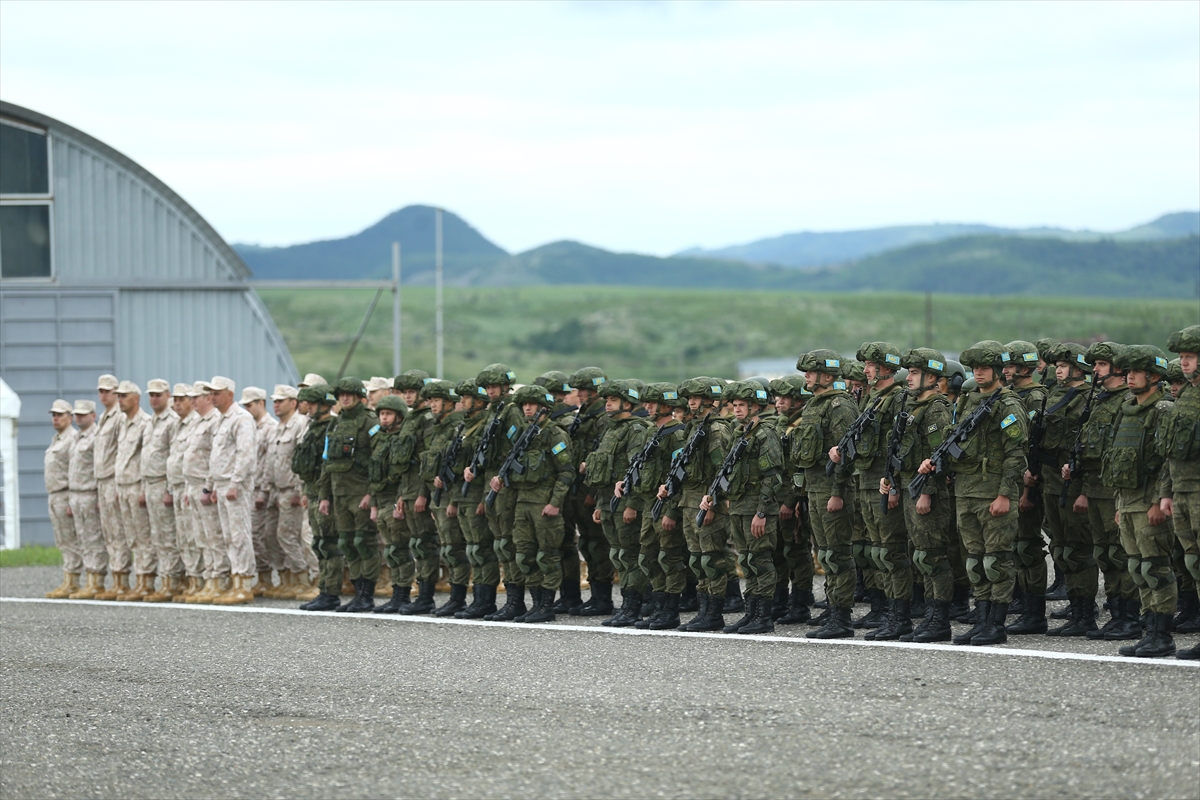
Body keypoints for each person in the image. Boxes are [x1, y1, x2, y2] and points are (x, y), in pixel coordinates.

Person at [920, 340, 1028, 646]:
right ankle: (981, 620)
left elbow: (1016, 454)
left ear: (997, 371)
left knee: (996, 561)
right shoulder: (968, 401)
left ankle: (996, 624)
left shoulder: (1008, 405)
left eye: (984, 368)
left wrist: (1006, 494)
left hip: (993, 492)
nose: (978, 373)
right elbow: (957, 442)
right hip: (966, 492)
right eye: (975, 368)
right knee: (975, 562)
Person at [1102, 345, 1177, 658]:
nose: (1129, 377)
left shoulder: (1163, 410)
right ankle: (1149, 631)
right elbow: (1120, 460)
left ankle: (1162, 635)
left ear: (1154, 376)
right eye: (1126, 372)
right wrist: (1120, 505)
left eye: (1135, 372)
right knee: (1136, 567)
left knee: (1155, 568)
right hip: (1128, 502)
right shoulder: (1126, 408)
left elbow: (1165, 461)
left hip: (1149, 502)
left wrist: (1158, 501)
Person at [1062, 343, 1138, 640]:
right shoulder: (1099, 400)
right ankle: (1116, 614)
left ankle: (1129, 617)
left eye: (1102, 365)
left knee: (1120, 554)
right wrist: (1075, 468)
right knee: (1105, 555)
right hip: (1094, 486)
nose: (1095, 369)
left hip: (1113, 488)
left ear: (1118, 369)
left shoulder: (1126, 402)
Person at [881, 349, 955, 642]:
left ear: (932, 377)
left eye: (914, 373)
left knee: (932, 556)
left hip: (926, 492)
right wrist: (892, 483)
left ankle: (940, 620)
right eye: (908, 372)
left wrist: (927, 493)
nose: (908, 377)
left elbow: (937, 457)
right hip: (910, 487)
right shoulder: (911, 406)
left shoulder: (937, 408)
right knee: (921, 557)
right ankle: (928, 616)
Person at [706, 381, 783, 634]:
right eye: (734, 405)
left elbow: (772, 476)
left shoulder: (765, 433)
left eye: (741, 405)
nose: (736, 409)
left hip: (756, 508)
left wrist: (761, 512)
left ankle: (764, 615)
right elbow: (727, 471)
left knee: (761, 559)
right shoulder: (740, 433)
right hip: (738, 506)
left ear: (755, 406)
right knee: (747, 560)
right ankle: (751, 613)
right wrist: (713, 495)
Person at [791, 352, 859, 639]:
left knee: (837, 553)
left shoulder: (840, 406)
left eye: (811, 371)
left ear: (828, 376)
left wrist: (837, 493)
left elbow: (845, 453)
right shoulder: (814, 405)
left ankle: (842, 617)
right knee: (825, 553)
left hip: (832, 491)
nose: (806, 376)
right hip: (815, 489)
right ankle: (833, 609)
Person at [494, 384, 574, 623]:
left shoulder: (555, 434)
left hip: (543, 503)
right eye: (524, 404)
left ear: (544, 407)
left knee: (546, 556)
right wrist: (500, 478)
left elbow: (567, 472)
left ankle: (546, 605)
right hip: (522, 502)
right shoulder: (523, 434)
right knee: (524, 555)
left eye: (532, 404)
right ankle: (535, 603)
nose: (527, 408)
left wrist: (555, 502)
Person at [666, 378, 735, 632]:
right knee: (697, 560)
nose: (691, 402)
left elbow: (723, 471)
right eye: (689, 398)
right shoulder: (694, 427)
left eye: (696, 398)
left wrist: (714, 505)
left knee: (711, 559)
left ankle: (714, 614)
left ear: (709, 399)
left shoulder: (716, 430)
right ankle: (704, 610)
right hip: (689, 501)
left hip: (706, 503)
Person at [587, 379, 652, 626]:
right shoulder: (611, 428)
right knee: (618, 555)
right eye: (606, 400)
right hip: (608, 502)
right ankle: (628, 604)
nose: (607, 404)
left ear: (627, 402)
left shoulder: (635, 429)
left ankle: (633, 606)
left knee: (630, 555)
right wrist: (599, 505)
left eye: (612, 400)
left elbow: (636, 470)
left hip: (625, 503)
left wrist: (633, 504)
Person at [625, 382, 688, 630]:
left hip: (666, 504)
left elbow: (679, 475)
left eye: (652, 402)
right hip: (649, 504)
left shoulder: (677, 434)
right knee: (647, 557)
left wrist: (672, 510)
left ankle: (670, 611)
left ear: (666, 405)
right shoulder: (652, 432)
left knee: (668, 558)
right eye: (647, 402)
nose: (647, 406)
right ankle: (659, 607)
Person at [319, 377, 381, 613]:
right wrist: (324, 496)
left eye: (349, 394)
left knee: (363, 543)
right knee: (346, 542)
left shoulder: (369, 422)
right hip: (339, 493)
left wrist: (371, 494)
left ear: (358, 397)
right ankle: (357, 592)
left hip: (360, 493)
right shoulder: (334, 424)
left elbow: (378, 461)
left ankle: (367, 594)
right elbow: (327, 462)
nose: (344, 398)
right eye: (341, 395)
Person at [1002, 340, 1051, 634]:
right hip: (1014, 480)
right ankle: (1021, 602)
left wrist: (1026, 491)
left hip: (1029, 483)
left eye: (1009, 365)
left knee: (1028, 547)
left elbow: (1031, 445)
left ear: (1024, 368)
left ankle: (1035, 613)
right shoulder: (1010, 396)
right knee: (1017, 547)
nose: (1005, 371)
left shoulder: (1034, 398)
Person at [1163, 326, 1200, 659]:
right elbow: (1172, 451)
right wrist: (1167, 491)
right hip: (1184, 491)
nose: (1183, 364)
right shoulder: (1186, 395)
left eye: (1190, 357)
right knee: (1193, 561)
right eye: (1183, 357)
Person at [565, 366, 615, 617]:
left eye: (586, 389)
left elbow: (603, 459)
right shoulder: (582, 415)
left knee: (597, 544)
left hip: (591, 489)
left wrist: (593, 493)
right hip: (576, 486)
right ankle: (593, 595)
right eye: (579, 390)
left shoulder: (603, 418)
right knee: (586, 543)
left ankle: (602, 597)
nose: (581, 394)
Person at [206, 376, 259, 605]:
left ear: (230, 394)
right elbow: (215, 455)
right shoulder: (220, 419)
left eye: (217, 393)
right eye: (211, 393)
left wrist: (235, 483)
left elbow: (245, 453)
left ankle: (244, 583)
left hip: (235, 484)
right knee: (228, 536)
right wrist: (212, 485)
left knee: (240, 535)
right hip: (222, 483)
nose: (212, 397)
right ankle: (235, 581)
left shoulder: (241, 418)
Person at [419, 380, 470, 616]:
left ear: (449, 402)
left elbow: (461, 467)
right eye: (430, 401)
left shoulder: (457, 427)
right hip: (437, 496)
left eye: (436, 400)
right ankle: (452, 597)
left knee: (454, 548)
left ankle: (458, 598)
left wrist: (453, 500)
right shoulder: (435, 428)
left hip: (452, 496)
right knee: (447, 547)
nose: (432, 405)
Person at [451, 380, 501, 619]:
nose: (462, 402)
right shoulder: (464, 426)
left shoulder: (485, 426)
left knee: (482, 548)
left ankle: (485, 600)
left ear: (479, 401)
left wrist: (484, 499)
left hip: (476, 496)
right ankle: (477, 597)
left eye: (466, 398)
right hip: (463, 495)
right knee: (472, 549)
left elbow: (487, 465)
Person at [392, 370, 438, 614]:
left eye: (412, 392)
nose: (408, 396)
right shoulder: (411, 418)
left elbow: (428, 460)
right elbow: (404, 461)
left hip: (421, 489)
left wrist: (423, 493)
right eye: (405, 392)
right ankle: (410, 594)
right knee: (415, 542)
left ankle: (426, 596)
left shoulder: (427, 419)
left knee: (424, 543)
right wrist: (402, 494)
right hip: (408, 490)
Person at [295, 385, 344, 611]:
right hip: (313, 491)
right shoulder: (313, 427)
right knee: (318, 542)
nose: (308, 409)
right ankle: (323, 588)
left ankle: (331, 592)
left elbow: (328, 465)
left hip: (326, 494)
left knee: (329, 543)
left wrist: (324, 494)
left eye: (312, 404)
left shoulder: (332, 427)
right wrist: (306, 491)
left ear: (325, 405)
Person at [261, 385, 311, 599]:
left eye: (281, 401)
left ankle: (302, 577)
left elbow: (301, 461)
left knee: (288, 535)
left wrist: (299, 490)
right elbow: (270, 461)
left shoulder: (299, 425)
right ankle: (285, 578)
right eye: (275, 401)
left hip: (291, 490)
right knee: (271, 535)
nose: (276, 405)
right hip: (275, 490)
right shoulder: (277, 428)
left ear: (293, 402)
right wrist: (265, 489)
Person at [140, 379, 183, 602]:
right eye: (151, 395)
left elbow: (173, 457)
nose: (154, 399)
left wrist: (169, 489)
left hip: (163, 483)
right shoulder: (151, 422)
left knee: (168, 535)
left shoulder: (172, 421)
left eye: (158, 395)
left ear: (168, 395)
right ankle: (166, 580)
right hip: (149, 483)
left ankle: (173, 581)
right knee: (157, 536)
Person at [369, 393, 412, 612]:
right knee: (390, 551)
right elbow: (374, 476)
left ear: (399, 416)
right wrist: (374, 505)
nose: (384, 418)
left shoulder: (403, 439)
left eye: (388, 414)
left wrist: (401, 501)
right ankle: (396, 592)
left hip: (396, 500)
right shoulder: (378, 439)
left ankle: (403, 593)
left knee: (400, 549)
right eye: (382, 414)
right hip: (381, 501)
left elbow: (406, 474)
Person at [183, 383, 225, 604]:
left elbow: (215, 458)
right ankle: (209, 579)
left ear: (208, 398)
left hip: (204, 485)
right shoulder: (197, 422)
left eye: (196, 397)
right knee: (200, 537)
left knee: (213, 536)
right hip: (193, 485)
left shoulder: (214, 421)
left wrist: (210, 486)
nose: (192, 401)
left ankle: (219, 580)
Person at [113, 381, 153, 600]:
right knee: (131, 537)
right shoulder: (123, 423)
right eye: (118, 396)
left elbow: (146, 459)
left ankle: (146, 580)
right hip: (124, 486)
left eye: (124, 396)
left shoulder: (145, 423)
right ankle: (137, 580)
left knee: (142, 536)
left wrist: (143, 489)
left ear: (136, 399)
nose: (120, 400)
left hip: (137, 485)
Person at [166, 384, 204, 601]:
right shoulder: (177, 425)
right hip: (178, 487)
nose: (177, 403)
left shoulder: (195, 423)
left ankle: (200, 580)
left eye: (182, 399)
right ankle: (191, 580)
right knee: (183, 537)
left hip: (191, 485)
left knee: (194, 535)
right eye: (175, 400)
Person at [242, 386, 281, 596]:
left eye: (250, 405)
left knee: (260, 535)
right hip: (249, 488)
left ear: (260, 403)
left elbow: (269, 463)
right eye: (245, 405)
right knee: (252, 535)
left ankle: (267, 575)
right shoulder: (249, 427)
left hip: (262, 490)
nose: (247, 409)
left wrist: (264, 491)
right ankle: (262, 577)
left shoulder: (270, 428)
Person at [92, 374, 128, 600]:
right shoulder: (104, 417)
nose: (103, 395)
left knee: (118, 532)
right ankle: (115, 579)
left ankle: (122, 580)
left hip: (115, 481)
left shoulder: (119, 418)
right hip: (102, 482)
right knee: (109, 534)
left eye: (108, 391)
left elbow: (121, 451)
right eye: (101, 391)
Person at [66, 400, 107, 599]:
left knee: (94, 539)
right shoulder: (75, 438)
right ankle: (88, 579)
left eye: (83, 414)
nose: (78, 417)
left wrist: (100, 495)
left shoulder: (96, 437)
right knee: (82, 539)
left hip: (90, 493)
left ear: (93, 415)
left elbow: (99, 468)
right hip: (76, 494)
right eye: (77, 414)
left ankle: (97, 580)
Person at [43, 399, 80, 598]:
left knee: (71, 540)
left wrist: (71, 500)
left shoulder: (72, 439)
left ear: (70, 417)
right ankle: (68, 578)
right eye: (54, 415)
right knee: (63, 540)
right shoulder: (56, 439)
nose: (56, 418)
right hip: (54, 495)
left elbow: (75, 471)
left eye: (60, 415)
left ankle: (74, 580)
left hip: (66, 493)